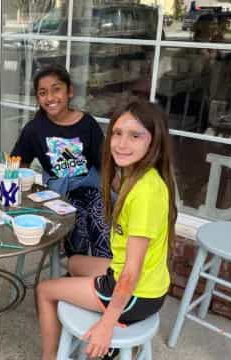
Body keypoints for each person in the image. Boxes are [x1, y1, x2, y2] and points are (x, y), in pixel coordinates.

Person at [36, 98, 177, 360]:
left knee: (45, 290)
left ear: (153, 141)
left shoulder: (145, 192)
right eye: (118, 133)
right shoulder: (138, 175)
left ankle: (50, 356)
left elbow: (131, 273)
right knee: (75, 262)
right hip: (143, 280)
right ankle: (84, 305)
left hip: (136, 293)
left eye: (135, 136)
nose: (122, 144)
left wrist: (106, 325)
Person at [11, 64, 110, 258]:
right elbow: (18, 163)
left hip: (91, 187)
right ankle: (76, 269)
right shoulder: (34, 129)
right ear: (38, 98)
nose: (50, 98)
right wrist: (20, 192)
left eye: (56, 89)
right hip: (57, 193)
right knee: (75, 223)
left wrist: (118, 193)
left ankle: (103, 273)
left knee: (101, 221)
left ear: (69, 91)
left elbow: (104, 164)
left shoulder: (87, 123)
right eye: (43, 93)